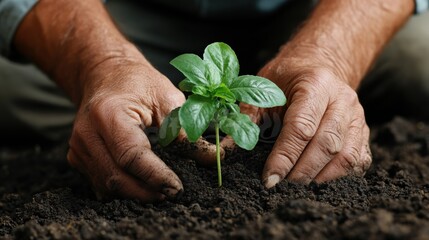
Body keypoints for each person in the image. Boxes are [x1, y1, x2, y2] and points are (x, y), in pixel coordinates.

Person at [0, 0, 428, 201]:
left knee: (419, 61)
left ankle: (319, 94)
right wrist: (101, 64)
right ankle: (121, 107)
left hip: (318, 10)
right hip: (115, 14)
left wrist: (332, 55)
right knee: (10, 85)